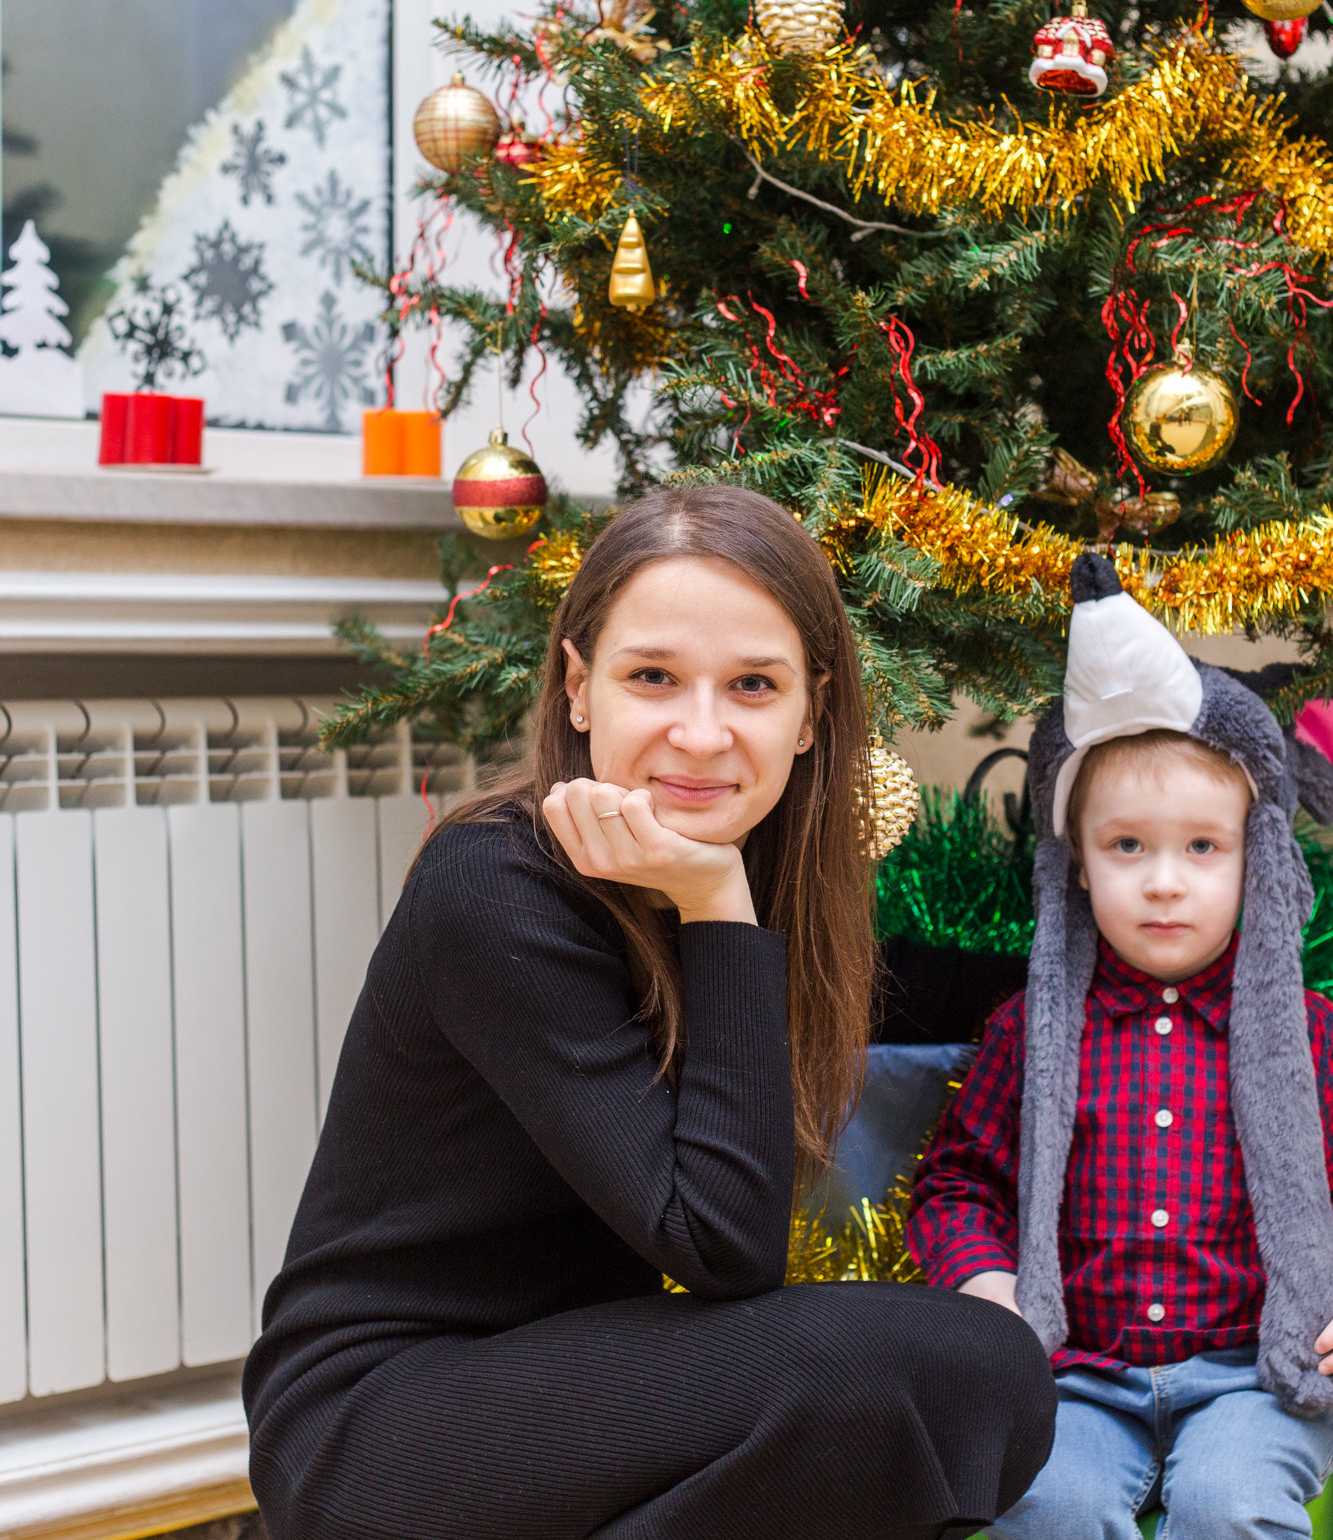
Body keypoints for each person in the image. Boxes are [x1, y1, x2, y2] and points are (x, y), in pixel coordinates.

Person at [245, 486, 1054, 1540]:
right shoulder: (494, 885)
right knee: (947, 1363)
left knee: (976, 1379)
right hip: (380, 1425)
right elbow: (718, 1246)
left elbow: (906, 986)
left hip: (580, 1390)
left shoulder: (751, 866)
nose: (702, 730)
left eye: (753, 684)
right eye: (652, 677)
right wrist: (717, 904)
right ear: (580, 690)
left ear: (811, 711)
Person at [907, 555, 1333, 1539]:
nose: (1163, 883)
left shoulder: (1306, 1035)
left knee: (1225, 1504)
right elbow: (956, 1183)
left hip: (1252, 1375)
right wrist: (983, 1284)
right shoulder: (1031, 1032)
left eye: (1201, 848)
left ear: (1254, 859)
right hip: (1077, 1380)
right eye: (1126, 847)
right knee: (1050, 1509)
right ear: (1073, 865)